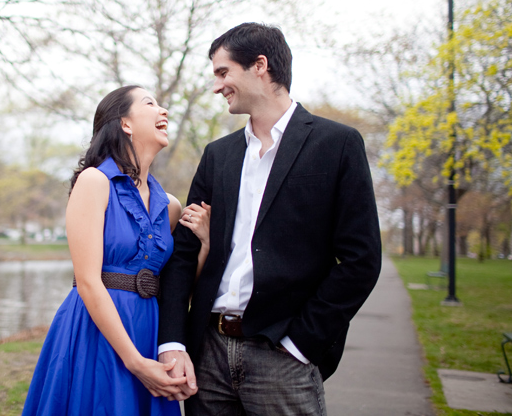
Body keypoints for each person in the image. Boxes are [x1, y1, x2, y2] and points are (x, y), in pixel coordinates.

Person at [157, 23, 382, 415]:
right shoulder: (218, 155)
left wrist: (301, 342)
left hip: (283, 358)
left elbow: (361, 259)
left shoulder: (337, 144)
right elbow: (183, 253)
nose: (217, 86)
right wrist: (173, 342)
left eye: (223, 72)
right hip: (208, 356)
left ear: (260, 65)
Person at [22, 85, 210, 415]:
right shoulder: (94, 182)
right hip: (97, 333)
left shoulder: (171, 207)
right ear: (125, 123)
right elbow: (88, 281)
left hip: (148, 330)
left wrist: (205, 245)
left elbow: (175, 289)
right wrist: (135, 362)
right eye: (151, 104)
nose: (163, 111)